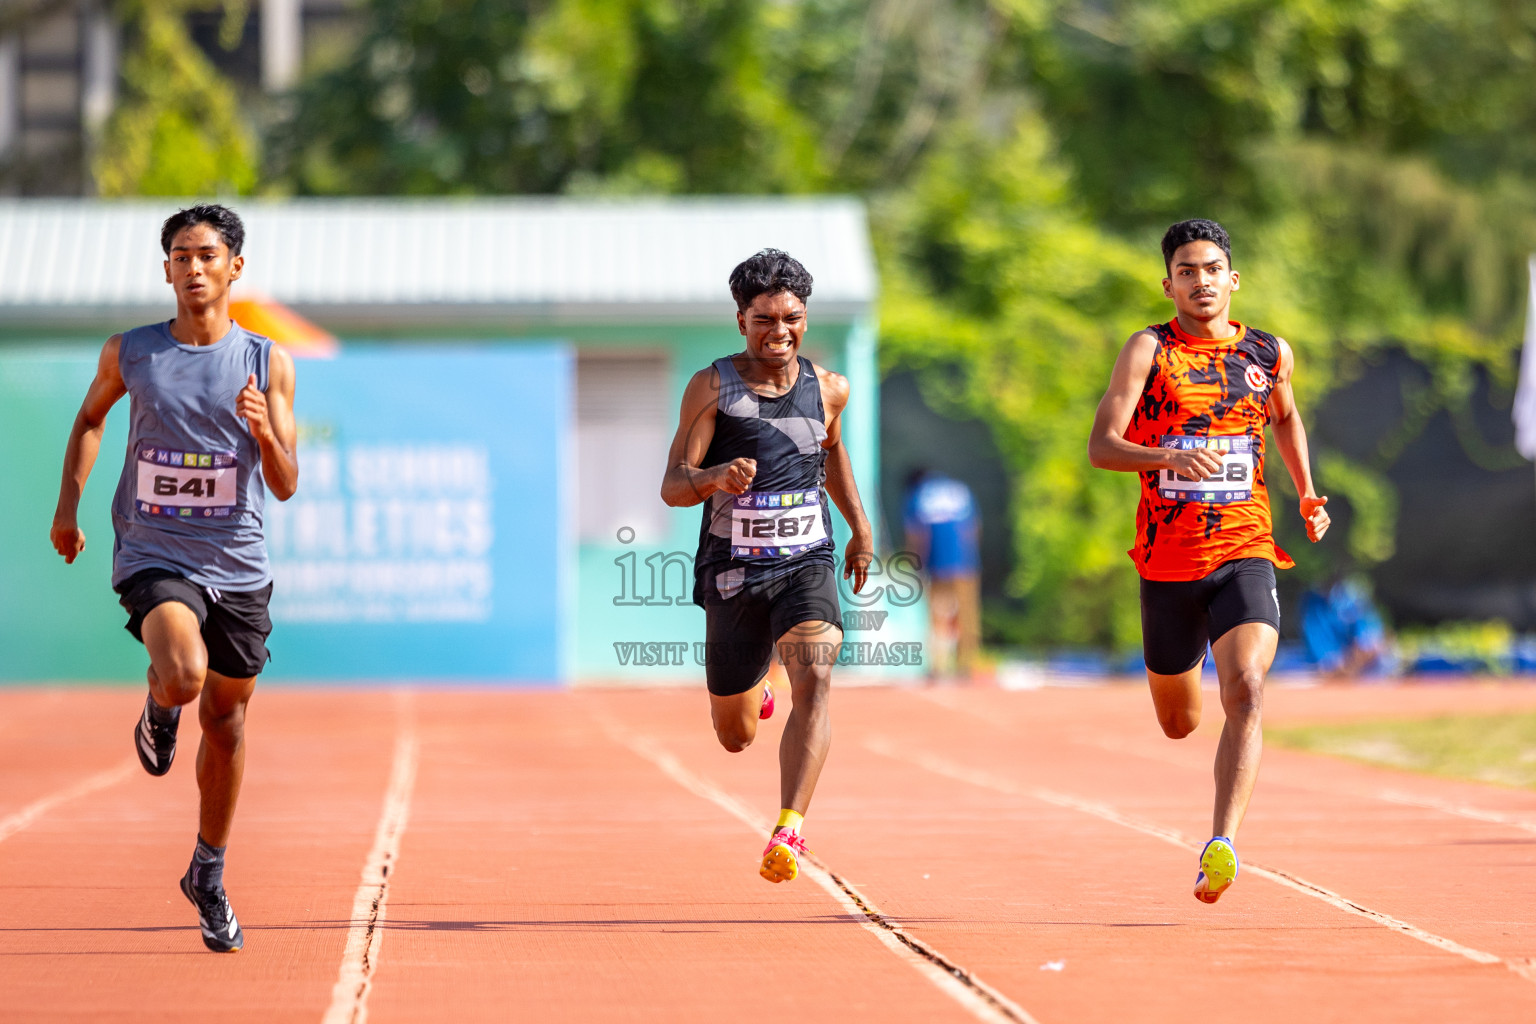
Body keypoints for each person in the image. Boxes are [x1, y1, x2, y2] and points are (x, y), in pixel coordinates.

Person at [50, 204, 298, 951]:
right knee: (185, 674)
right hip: (156, 552)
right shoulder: (132, 353)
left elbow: (285, 482)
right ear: (166, 270)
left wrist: (262, 430)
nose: (193, 267)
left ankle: (207, 872)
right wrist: (69, 506)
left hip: (239, 563)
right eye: (180, 256)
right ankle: (161, 706)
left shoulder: (267, 362)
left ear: (234, 268)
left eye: (207, 255)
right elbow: (91, 420)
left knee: (225, 722)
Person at [1087, 218, 1329, 904]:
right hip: (1167, 561)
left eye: (1212, 268)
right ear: (1169, 285)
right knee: (1179, 722)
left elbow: (1284, 417)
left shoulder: (1267, 351)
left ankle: (1220, 843)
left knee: (1247, 687)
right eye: (1187, 271)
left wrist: (1306, 489)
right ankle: (1180, 684)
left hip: (1244, 547)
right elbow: (1102, 446)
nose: (1201, 281)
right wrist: (1165, 454)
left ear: (1233, 279)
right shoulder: (1149, 351)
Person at [661, 248, 873, 883]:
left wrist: (861, 529)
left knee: (819, 676)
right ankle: (760, 689)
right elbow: (673, 484)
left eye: (793, 318)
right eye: (765, 321)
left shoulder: (830, 388)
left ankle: (790, 829)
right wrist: (713, 476)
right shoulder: (713, 386)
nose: (780, 332)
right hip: (733, 571)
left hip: (807, 558)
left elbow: (831, 456)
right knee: (734, 734)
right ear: (741, 321)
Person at [903, 468, 981, 680]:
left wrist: (916, 563)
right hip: (964, 562)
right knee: (966, 615)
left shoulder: (918, 495)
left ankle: (937, 666)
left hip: (935, 561)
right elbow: (973, 528)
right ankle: (966, 665)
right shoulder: (960, 490)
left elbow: (916, 533)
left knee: (936, 615)